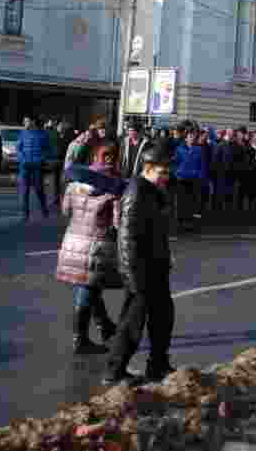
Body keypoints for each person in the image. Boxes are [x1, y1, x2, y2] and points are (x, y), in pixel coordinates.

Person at [104, 141, 177, 386]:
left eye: (168, 171)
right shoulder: (137, 190)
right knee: (132, 323)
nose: (166, 176)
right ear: (147, 167)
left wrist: (166, 255)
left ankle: (158, 364)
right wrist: (131, 273)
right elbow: (127, 237)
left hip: (157, 265)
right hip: (140, 268)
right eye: (161, 171)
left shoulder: (155, 190)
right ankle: (115, 370)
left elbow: (157, 230)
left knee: (163, 317)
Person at [56, 140, 125, 355]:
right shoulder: (114, 187)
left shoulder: (75, 183)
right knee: (88, 289)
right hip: (98, 244)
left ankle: (105, 326)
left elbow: (66, 211)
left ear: (94, 158)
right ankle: (81, 339)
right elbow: (117, 222)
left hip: (73, 241)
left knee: (87, 286)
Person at [17, 116, 52, 222]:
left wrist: (41, 159)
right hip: (24, 166)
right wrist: (22, 159)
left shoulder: (43, 134)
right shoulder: (22, 133)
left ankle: (44, 209)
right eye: (24, 121)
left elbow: (48, 149)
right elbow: (18, 148)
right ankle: (25, 214)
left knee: (39, 189)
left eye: (26, 121)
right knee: (24, 191)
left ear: (32, 122)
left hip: (37, 166)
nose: (24, 123)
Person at [174, 127, 207, 232]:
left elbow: (202, 165)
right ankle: (180, 223)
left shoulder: (199, 149)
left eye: (193, 136)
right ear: (186, 138)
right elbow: (175, 163)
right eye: (190, 136)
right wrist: (177, 173)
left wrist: (201, 177)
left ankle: (190, 223)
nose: (192, 138)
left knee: (192, 202)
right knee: (181, 202)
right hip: (182, 179)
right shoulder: (179, 149)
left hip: (194, 179)